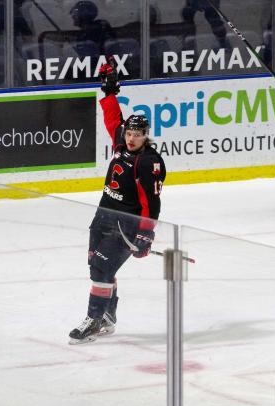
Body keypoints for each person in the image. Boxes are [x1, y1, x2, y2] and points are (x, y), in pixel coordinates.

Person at [69, 58, 167, 345]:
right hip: (102, 216)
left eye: (137, 134)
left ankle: (94, 319)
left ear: (145, 136)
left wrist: (145, 234)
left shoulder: (149, 162)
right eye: (129, 133)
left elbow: (152, 203)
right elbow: (113, 118)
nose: (132, 137)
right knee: (96, 266)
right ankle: (108, 317)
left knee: (102, 267)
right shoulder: (121, 142)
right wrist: (109, 92)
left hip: (125, 225)